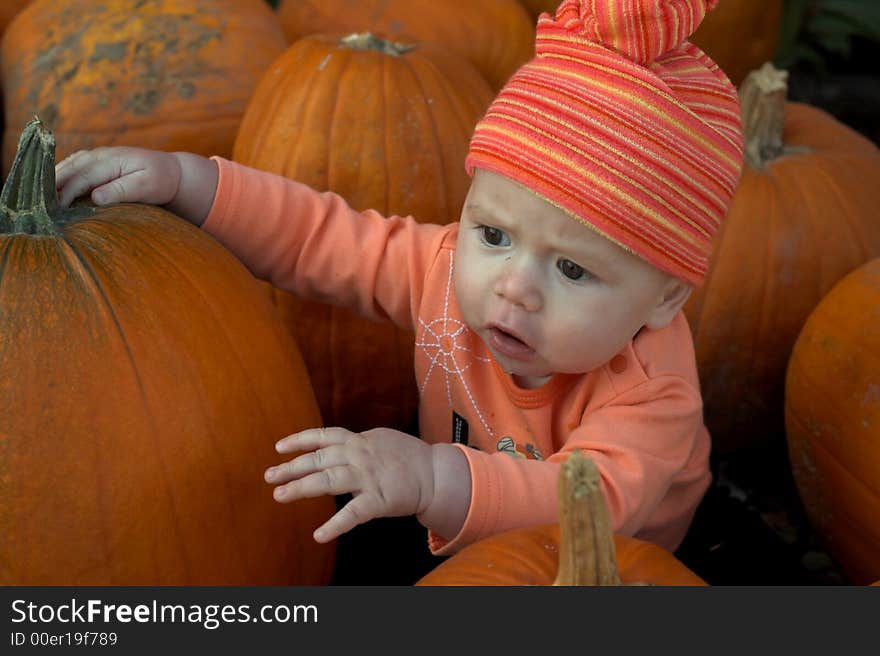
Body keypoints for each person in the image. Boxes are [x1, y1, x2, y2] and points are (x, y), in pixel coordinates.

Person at [55, 0, 743, 557]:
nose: (514, 286)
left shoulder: (654, 397)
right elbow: (320, 238)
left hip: (604, 570)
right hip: (451, 504)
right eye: (495, 235)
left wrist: (430, 476)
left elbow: (594, 503)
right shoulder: (448, 269)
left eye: (571, 269)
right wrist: (192, 184)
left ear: (665, 297)